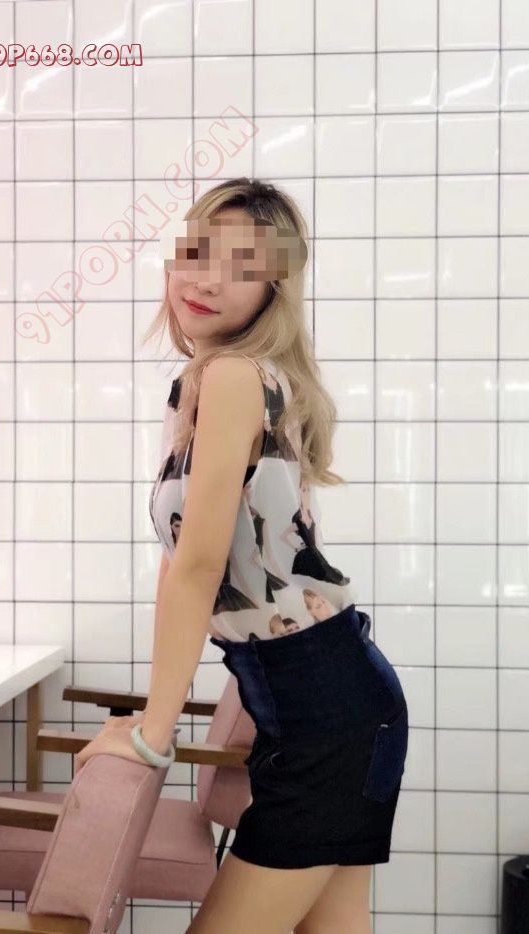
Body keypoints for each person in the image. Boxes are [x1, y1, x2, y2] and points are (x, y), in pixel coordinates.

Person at [77, 178, 409, 933]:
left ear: (274, 290)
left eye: (241, 267)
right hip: (328, 708)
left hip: (326, 714)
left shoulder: (233, 378)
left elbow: (199, 569)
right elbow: (182, 559)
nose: (205, 281)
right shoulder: (212, 380)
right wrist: (151, 715)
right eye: (197, 253)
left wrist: (152, 733)